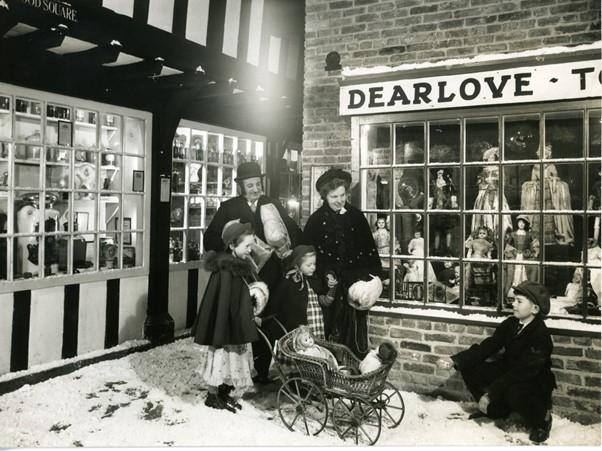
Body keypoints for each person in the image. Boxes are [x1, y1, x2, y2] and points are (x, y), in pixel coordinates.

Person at [203, 161, 302, 382]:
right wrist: (234, 251)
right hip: (244, 277)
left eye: (258, 184)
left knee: (268, 322)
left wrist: (288, 248)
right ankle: (238, 373)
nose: (256, 189)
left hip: (272, 276)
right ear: (241, 187)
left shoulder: (272, 204)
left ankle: (262, 370)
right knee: (242, 323)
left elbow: (293, 231)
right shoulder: (229, 208)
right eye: (250, 185)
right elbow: (209, 239)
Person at [438, 280, 556, 444]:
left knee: (515, 391)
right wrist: (455, 360)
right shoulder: (511, 323)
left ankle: (542, 420)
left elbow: (523, 372)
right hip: (509, 371)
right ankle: (495, 411)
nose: (513, 304)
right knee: (470, 367)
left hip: (532, 380)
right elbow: (489, 346)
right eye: (514, 300)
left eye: (519, 302)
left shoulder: (540, 334)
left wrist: (490, 393)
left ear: (535, 309)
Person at [303, 168, 382, 357]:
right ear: (324, 197)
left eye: (342, 195)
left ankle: (352, 373)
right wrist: (324, 273)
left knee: (354, 334)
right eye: (333, 196)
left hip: (355, 287)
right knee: (329, 332)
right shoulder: (315, 221)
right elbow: (307, 257)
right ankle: (331, 373)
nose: (339, 200)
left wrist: (373, 278)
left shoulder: (356, 217)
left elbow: (369, 249)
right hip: (328, 290)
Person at [191, 220, 262, 412]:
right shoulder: (226, 269)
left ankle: (223, 390)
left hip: (235, 321)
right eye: (247, 246)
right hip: (226, 324)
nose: (250, 250)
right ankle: (212, 395)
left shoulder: (239, 266)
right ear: (232, 245)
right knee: (222, 357)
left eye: (251, 245)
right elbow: (223, 302)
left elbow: (240, 295)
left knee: (232, 358)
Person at [273, 245, 337, 339]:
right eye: (309, 265)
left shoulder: (314, 279)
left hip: (316, 320)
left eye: (314, 264)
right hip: (302, 325)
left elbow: (321, 292)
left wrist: (329, 284)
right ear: (296, 264)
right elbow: (277, 301)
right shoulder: (289, 281)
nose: (313, 268)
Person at [521, 143, 574, 246]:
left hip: (548, 190)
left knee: (549, 212)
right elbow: (533, 179)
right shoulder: (536, 166)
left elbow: (556, 177)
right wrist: (534, 183)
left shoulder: (551, 165)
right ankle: (537, 239)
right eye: (542, 154)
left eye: (545, 154)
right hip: (539, 190)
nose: (544, 156)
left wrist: (552, 180)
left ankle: (550, 239)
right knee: (538, 211)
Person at [471, 146, 512, 239]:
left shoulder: (499, 169)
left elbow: (503, 183)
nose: (491, 159)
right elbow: (479, 183)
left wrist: (495, 185)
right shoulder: (484, 170)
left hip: (496, 193)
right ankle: (484, 235)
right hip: (484, 194)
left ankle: (497, 235)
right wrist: (483, 184)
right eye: (489, 158)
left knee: (497, 210)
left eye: (492, 157)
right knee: (484, 213)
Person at [504, 215, 540, 297]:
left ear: (525, 224)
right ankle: (511, 295)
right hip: (515, 256)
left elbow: (535, 245)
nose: (521, 224)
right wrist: (512, 253)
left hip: (525, 256)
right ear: (517, 223)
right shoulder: (513, 234)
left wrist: (531, 253)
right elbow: (508, 246)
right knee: (513, 274)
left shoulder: (529, 235)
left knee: (525, 273)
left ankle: (526, 293)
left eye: (523, 223)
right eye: (520, 222)